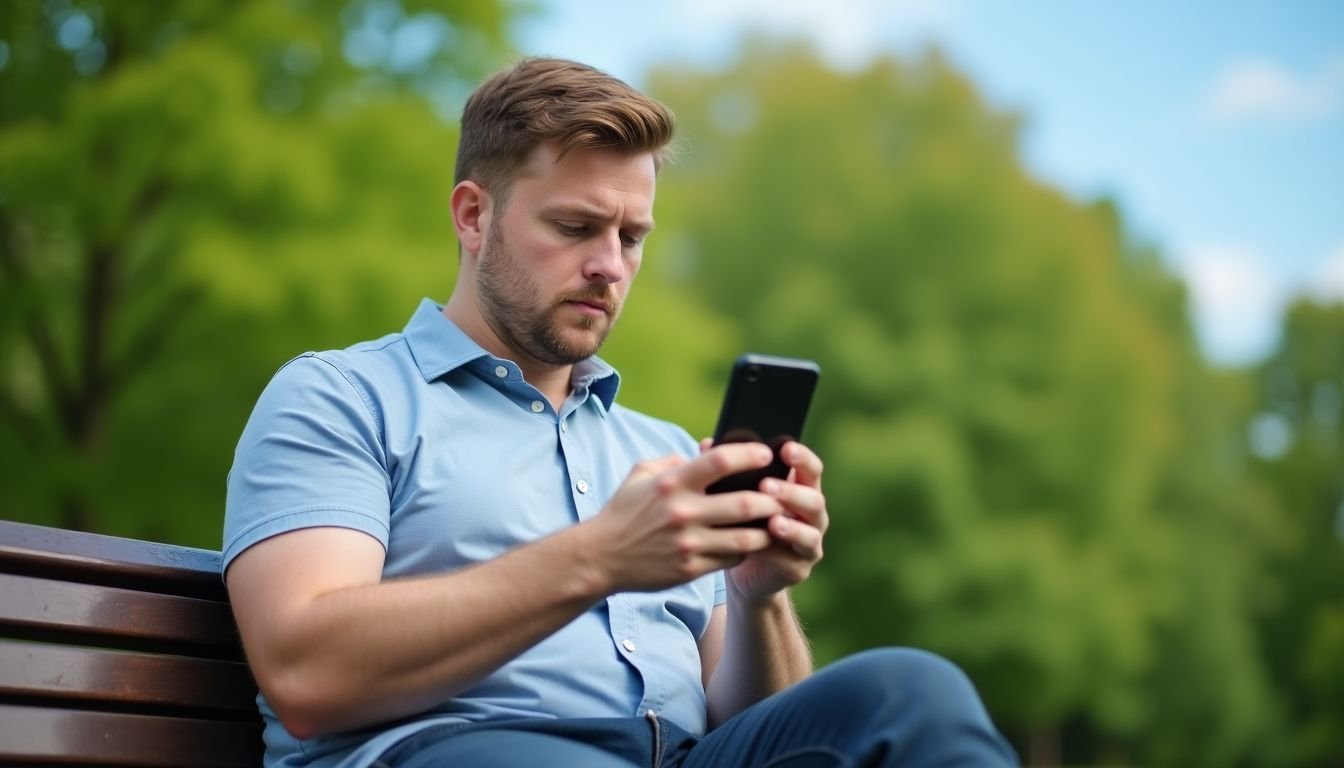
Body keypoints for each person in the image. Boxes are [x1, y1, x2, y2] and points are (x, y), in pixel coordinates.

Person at [223, 57, 1016, 768]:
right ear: (473, 215)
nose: (609, 265)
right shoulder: (343, 398)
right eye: (575, 227)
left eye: (632, 237)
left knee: (914, 691)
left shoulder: (661, 454)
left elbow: (761, 727)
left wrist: (755, 594)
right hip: (456, 749)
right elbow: (305, 673)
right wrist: (601, 556)